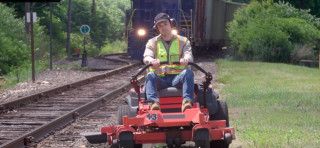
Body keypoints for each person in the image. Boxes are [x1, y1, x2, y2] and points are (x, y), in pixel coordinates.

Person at [143, 13, 194, 112]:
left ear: (171, 23)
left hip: (177, 78)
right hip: (160, 79)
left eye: (165, 24)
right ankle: (153, 103)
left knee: (188, 73)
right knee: (150, 75)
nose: (163, 27)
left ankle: (187, 102)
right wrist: (151, 60)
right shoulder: (151, 43)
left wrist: (186, 59)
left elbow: (188, 54)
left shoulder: (183, 41)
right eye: (160, 26)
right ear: (156, 29)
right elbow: (147, 57)